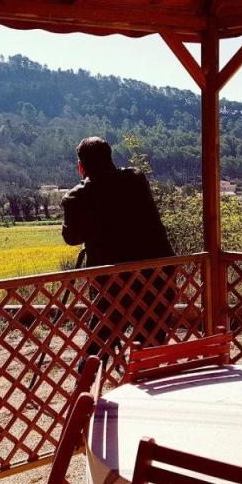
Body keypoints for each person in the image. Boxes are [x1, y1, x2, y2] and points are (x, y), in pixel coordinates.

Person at [61, 137, 176, 371]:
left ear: (81, 166)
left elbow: (72, 238)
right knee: (152, 337)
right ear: (110, 158)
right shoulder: (136, 179)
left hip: (112, 283)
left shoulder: (77, 197)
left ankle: (85, 388)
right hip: (155, 276)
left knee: (100, 338)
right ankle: (145, 379)